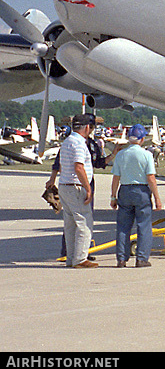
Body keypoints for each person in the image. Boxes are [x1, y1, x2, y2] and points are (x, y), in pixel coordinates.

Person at [110, 124, 162, 267]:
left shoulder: (121, 154)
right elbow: (150, 177)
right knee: (144, 226)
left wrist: (113, 196)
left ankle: (121, 259)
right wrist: (157, 198)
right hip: (141, 191)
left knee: (123, 227)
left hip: (125, 190)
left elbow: (116, 177)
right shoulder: (146, 155)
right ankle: (141, 258)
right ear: (142, 139)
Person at [58, 114, 97, 268]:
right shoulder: (80, 144)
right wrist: (88, 188)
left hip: (64, 185)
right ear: (87, 127)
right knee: (84, 222)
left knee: (70, 225)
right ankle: (80, 258)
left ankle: (71, 258)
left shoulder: (67, 142)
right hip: (75, 186)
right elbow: (79, 167)